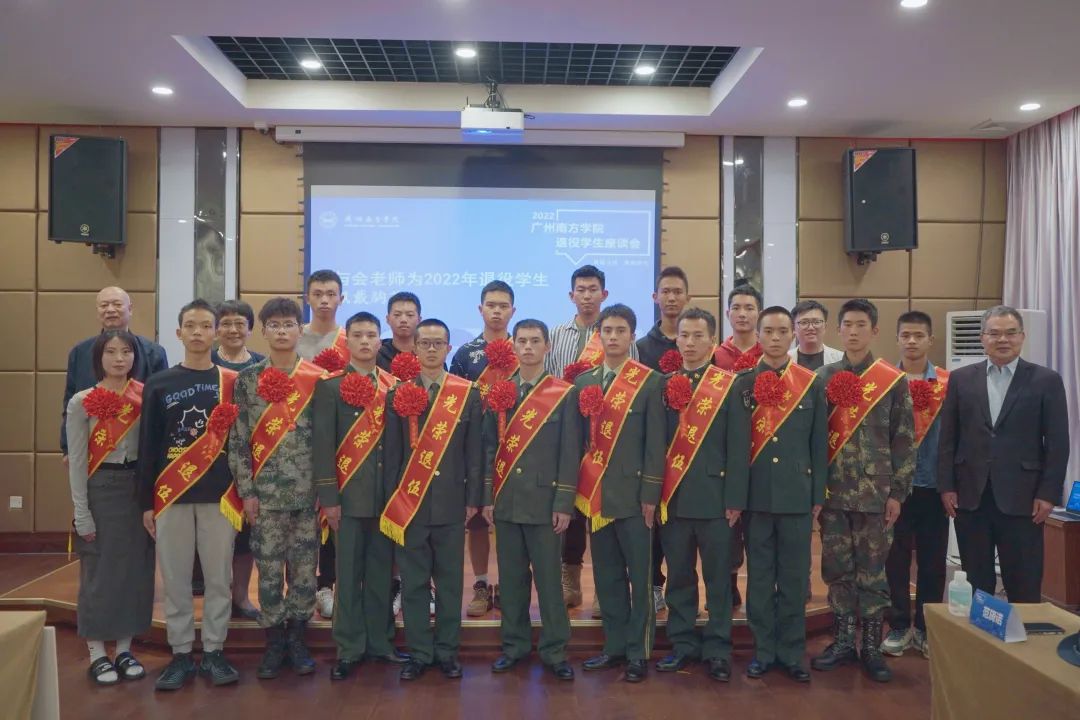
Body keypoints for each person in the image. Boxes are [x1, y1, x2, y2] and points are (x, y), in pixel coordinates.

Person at [139, 299, 242, 690]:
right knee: (176, 580)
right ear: (179, 332)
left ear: (216, 333)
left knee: (218, 579)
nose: (198, 332)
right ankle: (181, 653)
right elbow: (148, 445)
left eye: (205, 326)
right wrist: (146, 503)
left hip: (220, 496)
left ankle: (214, 651)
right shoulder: (159, 383)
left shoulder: (231, 382)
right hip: (170, 496)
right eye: (190, 326)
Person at [812, 298, 915, 683]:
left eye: (861, 325)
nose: (853, 332)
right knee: (837, 569)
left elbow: (904, 441)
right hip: (834, 494)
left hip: (876, 495)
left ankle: (870, 646)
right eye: (848, 325)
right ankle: (842, 642)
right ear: (838, 330)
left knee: (872, 573)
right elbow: (812, 440)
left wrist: (898, 493)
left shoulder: (892, 380)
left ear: (874, 331)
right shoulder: (821, 378)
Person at [938, 305, 1070, 603]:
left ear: (1022, 336)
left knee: (1023, 581)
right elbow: (948, 438)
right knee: (976, 580)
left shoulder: (1046, 380)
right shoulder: (960, 379)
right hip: (971, 494)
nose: (1003, 340)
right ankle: (978, 632)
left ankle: (1023, 632)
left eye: (1011, 333)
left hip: (1024, 497)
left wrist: (1048, 493)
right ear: (982, 338)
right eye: (994, 333)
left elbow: (1058, 443)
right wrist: (946, 486)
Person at [381, 318, 484, 681]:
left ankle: (447, 651)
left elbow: (475, 454)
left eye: (437, 343)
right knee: (414, 583)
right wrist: (392, 500)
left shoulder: (466, 394)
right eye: (424, 343)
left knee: (450, 583)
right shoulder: (397, 394)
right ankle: (420, 653)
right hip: (410, 504)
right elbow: (392, 454)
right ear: (414, 348)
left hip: (452, 504)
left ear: (448, 348)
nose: (430, 349)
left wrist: (473, 499)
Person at [730, 306, 827, 683]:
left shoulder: (810, 382)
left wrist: (817, 495)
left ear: (793, 336)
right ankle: (763, 651)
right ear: (757, 335)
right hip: (756, 498)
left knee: (793, 579)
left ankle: (791, 651)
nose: (774, 337)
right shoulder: (741, 383)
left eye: (782, 331)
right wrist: (736, 498)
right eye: (767, 331)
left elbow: (818, 444)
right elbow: (736, 448)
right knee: (758, 578)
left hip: (796, 496)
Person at [312, 311, 410, 680]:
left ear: (379, 340)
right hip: (347, 500)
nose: (365, 341)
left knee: (382, 574)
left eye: (371, 335)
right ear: (347, 341)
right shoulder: (329, 387)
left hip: (384, 500)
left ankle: (381, 643)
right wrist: (329, 498)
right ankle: (349, 647)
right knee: (348, 576)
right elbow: (323, 446)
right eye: (358, 335)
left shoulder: (394, 386)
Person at [229, 297, 324, 679]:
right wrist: (247, 492)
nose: (282, 331)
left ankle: (298, 640)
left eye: (289, 324)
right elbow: (239, 440)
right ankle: (274, 642)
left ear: (300, 330)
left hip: (307, 496)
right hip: (265, 497)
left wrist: (325, 491)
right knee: (268, 572)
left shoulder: (317, 380)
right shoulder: (247, 380)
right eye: (275, 325)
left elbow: (328, 442)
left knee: (304, 572)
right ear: (263, 331)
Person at [484, 319, 580, 680]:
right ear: (513, 347)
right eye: (521, 341)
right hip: (507, 501)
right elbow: (489, 449)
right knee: (511, 582)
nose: (527, 347)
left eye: (534, 341)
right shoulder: (500, 392)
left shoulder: (562, 394)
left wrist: (563, 502)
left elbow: (570, 453)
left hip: (545, 504)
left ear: (547, 347)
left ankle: (554, 650)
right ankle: (515, 646)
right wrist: (488, 497)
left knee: (550, 582)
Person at [574, 304, 664, 683]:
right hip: (597, 495)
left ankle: (638, 652)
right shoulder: (584, 383)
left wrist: (650, 494)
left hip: (635, 497)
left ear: (632, 336)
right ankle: (613, 647)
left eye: (620, 330)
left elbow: (655, 444)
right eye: (607, 330)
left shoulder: (649, 382)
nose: (612, 337)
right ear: (599, 336)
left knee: (640, 577)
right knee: (607, 575)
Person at [655, 307, 744, 682]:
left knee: (719, 579)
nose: (689, 343)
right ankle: (683, 644)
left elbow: (738, 447)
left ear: (712, 341)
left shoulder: (729, 386)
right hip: (673, 499)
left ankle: (718, 647)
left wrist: (735, 498)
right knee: (678, 577)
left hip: (715, 500)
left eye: (698, 336)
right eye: (684, 335)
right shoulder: (663, 385)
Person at [546, 265, 638, 615]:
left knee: (605, 511)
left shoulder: (619, 333)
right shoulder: (556, 334)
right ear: (571, 295)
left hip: (610, 436)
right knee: (570, 509)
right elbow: (550, 384)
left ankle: (605, 587)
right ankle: (570, 581)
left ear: (604, 294)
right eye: (581, 290)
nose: (587, 295)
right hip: (569, 433)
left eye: (593, 289)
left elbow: (632, 383)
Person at [66, 330, 154, 686]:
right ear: (98, 357)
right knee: (99, 572)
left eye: (126, 351)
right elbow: (76, 461)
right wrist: (81, 512)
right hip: (100, 489)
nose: (119, 358)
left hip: (136, 490)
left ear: (135, 356)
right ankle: (98, 653)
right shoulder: (82, 401)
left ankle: (125, 649)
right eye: (111, 352)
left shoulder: (145, 395)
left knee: (134, 571)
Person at [876, 311, 949, 659]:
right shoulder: (885, 381)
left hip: (934, 486)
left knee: (933, 562)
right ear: (897, 339)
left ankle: (925, 627)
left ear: (930, 340)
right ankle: (899, 625)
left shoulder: (948, 383)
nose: (912, 341)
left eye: (919, 335)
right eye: (905, 335)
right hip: (895, 490)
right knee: (895, 560)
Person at [449, 280, 517, 618]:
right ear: (480, 309)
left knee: (509, 520)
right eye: (491, 305)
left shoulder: (524, 350)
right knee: (477, 520)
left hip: (516, 449)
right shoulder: (465, 355)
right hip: (476, 450)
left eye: (503, 306)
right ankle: (480, 583)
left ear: (513, 311)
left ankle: (507, 583)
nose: (497, 311)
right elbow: (456, 405)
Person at [636, 266, 692, 613]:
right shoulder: (641, 347)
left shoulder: (699, 342)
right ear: (655, 297)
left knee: (685, 523)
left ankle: (684, 589)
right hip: (653, 447)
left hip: (692, 445)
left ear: (688, 297)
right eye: (665, 292)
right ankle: (654, 584)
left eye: (677, 291)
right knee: (652, 519)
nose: (671, 298)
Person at [62, 286, 169, 460]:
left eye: (117, 304)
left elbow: (162, 404)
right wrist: (67, 447)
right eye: (104, 305)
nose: (110, 310)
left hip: (139, 449)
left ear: (130, 309)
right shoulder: (80, 352)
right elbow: (69, 401)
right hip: (92, 449)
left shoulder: (154, 352)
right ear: (97, 311)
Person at [297, 269, 347, 620]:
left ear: (341, 298)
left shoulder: (350, 339)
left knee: (334, 514)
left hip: (339, 443)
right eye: (318, 293)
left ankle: (329, 582)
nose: (325, 300)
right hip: (296, 443)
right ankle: (306, 589)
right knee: (303, 523)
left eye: (331, 294)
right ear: (308, 298)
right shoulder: (294, 338)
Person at [211, 299, 264, 621]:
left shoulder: (262, 366)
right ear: (217, 329)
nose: (233, 329)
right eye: (226, 323)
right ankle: (217, 598)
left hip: (253, 461)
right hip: (211, 462)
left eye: (239, 323)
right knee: (215, 539)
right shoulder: (205, 364)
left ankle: (241, 597)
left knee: (246, 537)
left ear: (250, 329)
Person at [712, 284, 764, 608]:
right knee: (727, 526)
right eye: (737, 308)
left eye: (749, 308)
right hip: (725, 455)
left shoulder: (771, 355)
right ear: (727, 313)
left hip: (762, 453)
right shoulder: (715, 356)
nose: (742, 314)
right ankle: (728, 586)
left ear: (759, 313)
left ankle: (760, 591)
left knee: (758, 527)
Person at [788, 300, 843, 371]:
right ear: (794, 328)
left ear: (825, 327)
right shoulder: (784, 360)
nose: (811, 327)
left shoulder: (840, 359)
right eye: (804, 322)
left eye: (816, 322)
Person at [377, 292, 422, 372]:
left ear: (419, 320)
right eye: (397, 315)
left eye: (410, 315)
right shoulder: (377, 355)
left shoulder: (427, 354)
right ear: (388, 319)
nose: (403, 320)